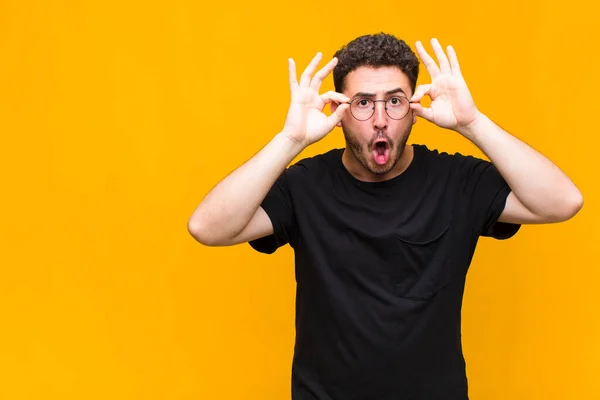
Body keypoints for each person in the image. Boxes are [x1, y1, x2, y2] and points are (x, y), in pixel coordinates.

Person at [187, 33, 583, 400]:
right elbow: (207, 228)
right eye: (362, 103)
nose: (380, 119)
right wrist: (289, 141)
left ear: (414, 110)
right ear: (339, 111)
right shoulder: (304, 187)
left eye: (394, 101)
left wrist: (473, 124)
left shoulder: (457, 182)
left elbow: (562, 202)